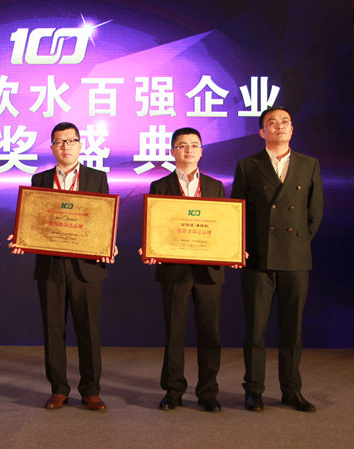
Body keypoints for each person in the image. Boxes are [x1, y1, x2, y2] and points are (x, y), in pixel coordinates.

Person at [9, 122, 117, 411]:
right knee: (53, 329)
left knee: (89, 330)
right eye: (59, 142)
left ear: (80, 145)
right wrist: (23, 238)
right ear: (52, 148)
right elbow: (34, 220)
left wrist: (108, 243)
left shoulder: (97, 177)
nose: (65, 146)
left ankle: (90, 391)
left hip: (86, 266)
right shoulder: (40, 179)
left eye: (71, 141)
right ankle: (58, 389)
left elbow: (103, 218)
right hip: (51, 266)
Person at [231, 106, 323, 412]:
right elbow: (238, 212)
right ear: (262, 131)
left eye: (285, 122)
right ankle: (253, 390)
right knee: (255, 330)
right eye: (272, 122)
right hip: (259, 258)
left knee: (292, 330)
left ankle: (292, 390)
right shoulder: (248, 165)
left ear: (292, 129)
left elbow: (314, 213)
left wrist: (297, 243)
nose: (279, 126)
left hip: (295, 258)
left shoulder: (309, 164)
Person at [138, 128, 225, 412]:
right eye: (182, 145)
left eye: (194, 145)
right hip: (174, 270)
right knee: (174, 333)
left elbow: (223, 226)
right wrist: (150, 248)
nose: (189, 150)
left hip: (209, 270)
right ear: (173, 151)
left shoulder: (215, 186)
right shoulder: (160, 186)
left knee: (210, 334)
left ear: (201, 151)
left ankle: (208, 393)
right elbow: (156, 226)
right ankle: (173, 391)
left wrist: (234, 250)